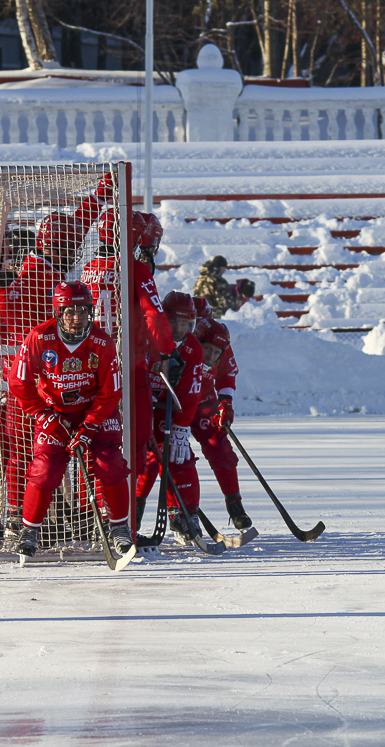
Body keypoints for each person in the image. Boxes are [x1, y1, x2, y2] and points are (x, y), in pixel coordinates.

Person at [3, 281, 133, 561]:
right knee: (45, 468)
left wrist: (89, 427)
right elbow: (18, 382)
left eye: (83, 311)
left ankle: (120, 528)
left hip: (95, 411)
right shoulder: (39, 337)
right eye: (70, 312)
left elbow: (110, 392)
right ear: (58, 312)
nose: (78, 318)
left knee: (109, 464)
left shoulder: (102, 342)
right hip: (55, 413)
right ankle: (29, 531)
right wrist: (44, 415)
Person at [80, 208, 177, 521]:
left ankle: (88, 513)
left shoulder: (88, 269)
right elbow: (155, 317)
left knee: (93, 439)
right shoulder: (135, 268)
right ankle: (121, 517)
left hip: (90, 367)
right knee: (134, 440)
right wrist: (167, 351)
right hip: (128, 367)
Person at [141, 291, 211, 546]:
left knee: (179, 456)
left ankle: (185, 515)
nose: (180, 330)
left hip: (167, 406)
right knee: (143, 461)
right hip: (139, 404)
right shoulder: (145, 337)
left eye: (186, 323)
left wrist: (181, 427)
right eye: (175, 323)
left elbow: (190, 392)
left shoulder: (192, 348)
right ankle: (130, 519)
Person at [190, 319, 254, 538]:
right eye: (207, 349)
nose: (211, 356)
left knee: (220, 446)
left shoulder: (216, 334)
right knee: (173, 455)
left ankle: (235, 505)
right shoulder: (179, 338)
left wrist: (225, 402)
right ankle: (177, 513)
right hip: (173, 401)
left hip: (203, 401)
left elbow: (226, 373)